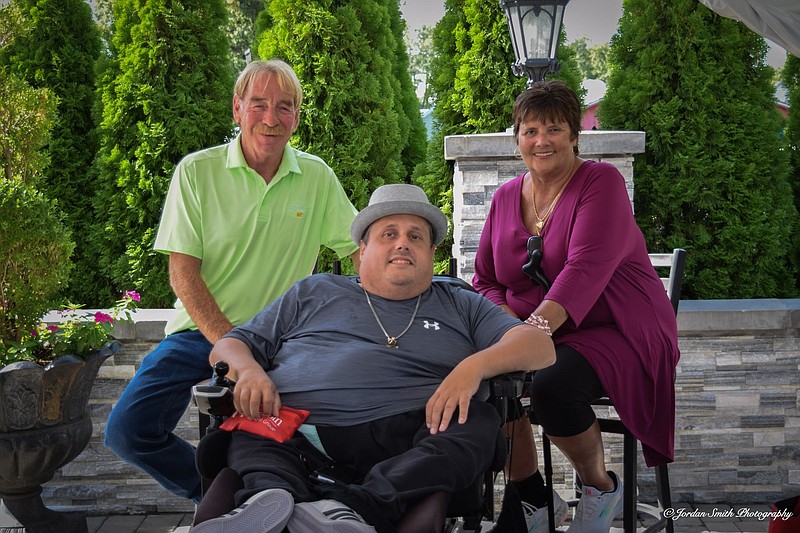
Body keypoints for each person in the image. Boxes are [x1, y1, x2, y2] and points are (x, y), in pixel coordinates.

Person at [188, 184, 557, 533]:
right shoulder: (313, 291)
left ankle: (355, 507)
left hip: (409, 438)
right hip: (298, 430)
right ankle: (274, 499)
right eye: (389, 234)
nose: (403, 244)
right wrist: (250, 372)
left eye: (416, 237)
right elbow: (229, 345)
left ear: (431, 253)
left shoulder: (459, 303)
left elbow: (538, 345)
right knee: (250, 421)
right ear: (362, 250)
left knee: (476, 421)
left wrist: (473, 367)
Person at [104, 59, 361, 503]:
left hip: (280, 339)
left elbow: (359, 253)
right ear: (237, 109)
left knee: (331, 424)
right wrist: (232, 349)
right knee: (128, 432)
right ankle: (225, 499)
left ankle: (294, 501)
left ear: (296, 118)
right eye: (258, 104)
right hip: (198, 334)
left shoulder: (316, 176)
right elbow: (182, 273)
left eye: (285, 107)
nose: (270, 117)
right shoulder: (197, 172)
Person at [473, 80, 680, 533]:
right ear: (517, 139)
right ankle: (534, 500)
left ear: (573, 136)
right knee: (491, 383)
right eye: (530, 130)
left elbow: (585, 269)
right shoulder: (506, 196)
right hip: (539, 328)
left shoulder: (600, 182)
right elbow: (485, 279)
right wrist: (504, 325)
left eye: (554, 129)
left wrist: (528, 333)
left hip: (616, 326)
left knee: (551, 388)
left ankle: (601, 489)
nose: (541, 141)